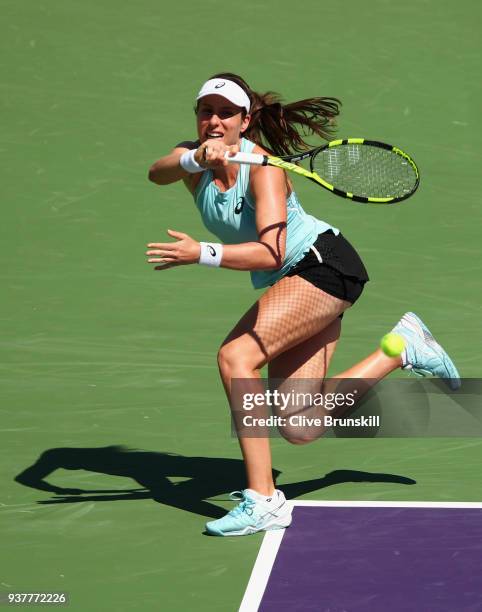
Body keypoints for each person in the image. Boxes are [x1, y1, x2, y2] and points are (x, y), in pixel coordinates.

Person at [146, 72, 460, 537]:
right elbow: (157, 172)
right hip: (296, 281)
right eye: (206, 111)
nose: (214, 120)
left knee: (236, 357)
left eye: (225, 113)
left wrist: (202, 253)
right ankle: (401, 348)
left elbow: (272, 253)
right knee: (300, 427)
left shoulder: (265, 169)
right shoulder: (191, 162)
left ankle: (264, 501)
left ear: (244, 121)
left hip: (322, 268)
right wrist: (195, 158)